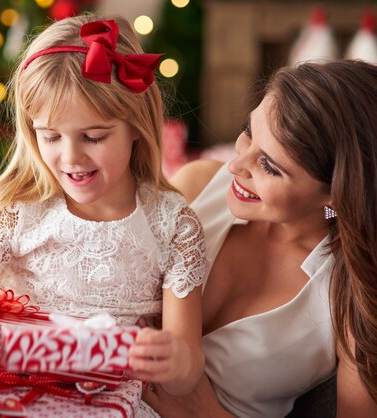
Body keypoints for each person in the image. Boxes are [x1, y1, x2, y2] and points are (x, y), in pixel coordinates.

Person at [0, 14, 208, 401]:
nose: (71, 157)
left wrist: (177, 363)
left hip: (109, 403)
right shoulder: (20, 211)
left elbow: (187, 370)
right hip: (9, 393)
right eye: (51, 136)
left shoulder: (173, 225)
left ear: (136, 124)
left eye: (93, 136)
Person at [143, 59, 377, 417]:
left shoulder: (352, 297)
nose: (236, 165)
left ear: (336, 193)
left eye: (269, 166)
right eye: (248, 133)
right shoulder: (197, 185)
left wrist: (206, 413)